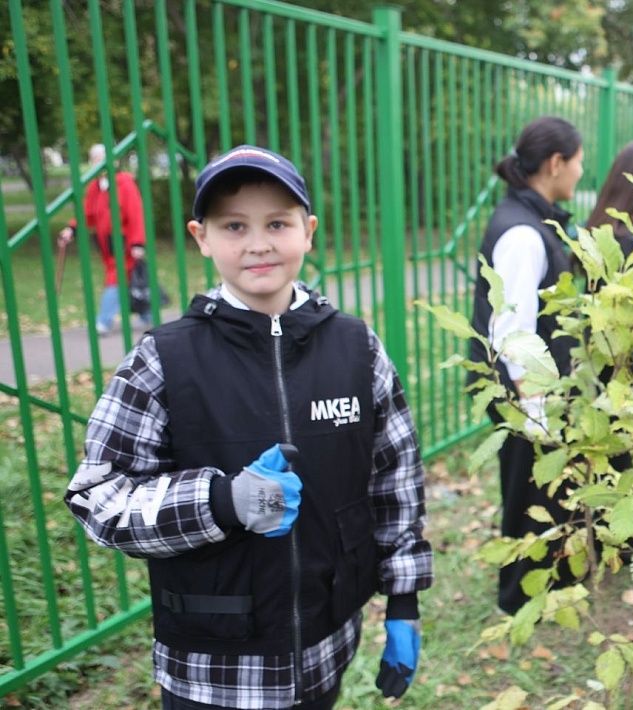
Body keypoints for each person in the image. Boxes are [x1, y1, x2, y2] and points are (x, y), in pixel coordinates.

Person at [64, 145, 432, 708]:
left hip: (325, 650)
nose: (258, 243)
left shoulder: (357, 349)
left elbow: (395, 482)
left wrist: (403, 602)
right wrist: (219, 502)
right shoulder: (164, 360)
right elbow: (97, 498)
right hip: (212, 671)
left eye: (277, 223)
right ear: (201, 236)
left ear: (308, 231)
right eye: (234, 225)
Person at [469, 116, 585, 614]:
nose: (581, 172)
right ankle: (517, 598)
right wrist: (534, 410)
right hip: (521, 392)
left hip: (528, 392)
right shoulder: (523, 233)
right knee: (525, 496)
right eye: (578, 162)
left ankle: (545, 587)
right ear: (556, 163)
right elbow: (512, 330)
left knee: (542, 492)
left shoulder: (531, 216)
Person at [58, 143, 148, 335]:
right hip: (105, 244)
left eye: (102, 158)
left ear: (113, 161)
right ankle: (148, 314)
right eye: (95, 159)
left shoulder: (124, 183)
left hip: (124, 242)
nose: (98, 163)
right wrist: (72, 229)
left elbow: (136, 214)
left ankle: (103, 322)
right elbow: (86, 213)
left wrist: (138, 242)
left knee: (115, 280)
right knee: (129, 280)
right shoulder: (96, 187)